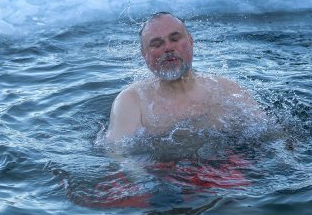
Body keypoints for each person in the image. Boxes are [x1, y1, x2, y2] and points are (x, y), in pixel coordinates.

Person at [106, 12, 266, 142]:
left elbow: (268, 134)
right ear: (144, 54)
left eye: (175, 39)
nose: (168, 47)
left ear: (191, 41)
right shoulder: (132, 101)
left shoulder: (227, 90)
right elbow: (121, 156)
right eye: (156, 44)